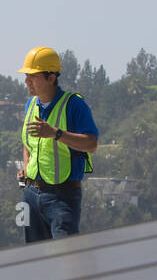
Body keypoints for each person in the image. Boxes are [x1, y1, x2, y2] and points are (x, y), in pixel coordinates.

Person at [17, 46, 99, 242]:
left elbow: (91, 144)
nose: (27, 81)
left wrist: (55, 133)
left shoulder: (74, 105)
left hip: (62, 196)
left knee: (66, 257)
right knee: (38, 261)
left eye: (33, 76)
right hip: (31, 194)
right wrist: (27, 166)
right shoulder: (31, 105)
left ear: (51, 77)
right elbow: (28, 143)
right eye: (27, 76)